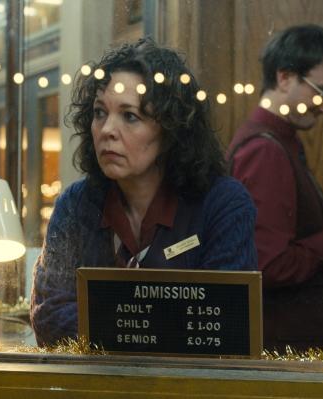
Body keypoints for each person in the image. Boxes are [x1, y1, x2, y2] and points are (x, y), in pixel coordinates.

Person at [30, 38, 258, 346]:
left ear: (171, 129)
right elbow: (49, 315)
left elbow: (221, 324)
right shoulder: (76, 203)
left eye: (130, 116)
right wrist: (161, 323)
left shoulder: (223, 203)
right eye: (99, 113)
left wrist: (108, 320)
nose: (108, 130)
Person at [227, 25, 323, 351]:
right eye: (322, 91)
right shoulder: (264, 151)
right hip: (292, 352)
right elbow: (269, 265)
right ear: (284, 78)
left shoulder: (280, 142)